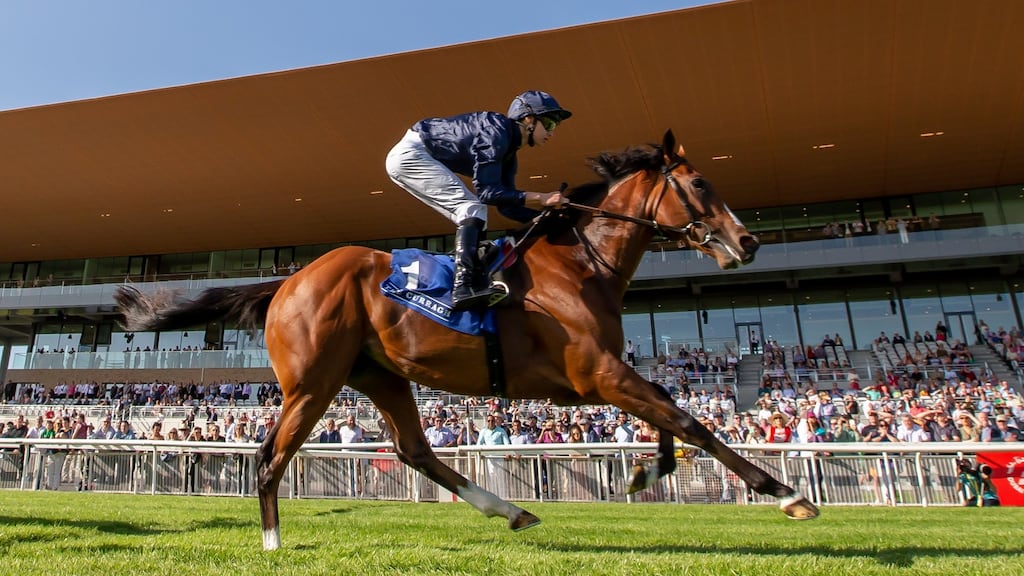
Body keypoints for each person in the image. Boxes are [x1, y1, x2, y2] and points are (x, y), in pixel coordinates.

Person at [385, 90, 572, 309]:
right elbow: (487, 193)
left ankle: (469, 277)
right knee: (472, 206)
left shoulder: (509, 152)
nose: (552, 133)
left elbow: (507, 207)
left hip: (416, 154)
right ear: (528, 119)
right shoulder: (496, 130)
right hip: (412, 156)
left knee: (475, 209)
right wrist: (541, 198)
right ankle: (463, 286)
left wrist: (548, 218)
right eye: (549, 125)